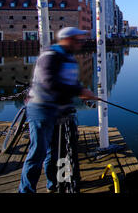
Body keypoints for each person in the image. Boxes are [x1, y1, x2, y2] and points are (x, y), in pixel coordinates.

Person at [19, 27, 98, 193]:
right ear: (66, 39)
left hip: (60, 110)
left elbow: (71, 82)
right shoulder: (50, 56)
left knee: (56, 153)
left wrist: (82, 91)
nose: (81, 43)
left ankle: (53, 183)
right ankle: (25, 190)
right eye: (77, 40)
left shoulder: (69, 58)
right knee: (37, 153)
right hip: (41, 109)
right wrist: (79, 91)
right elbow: (49, 83)